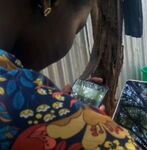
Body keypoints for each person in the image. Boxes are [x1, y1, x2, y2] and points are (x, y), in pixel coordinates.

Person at [0, 0, 138, 149]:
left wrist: (57, 104)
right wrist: (75, 116)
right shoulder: (104, 139)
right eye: (79, 27)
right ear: (49, 3)